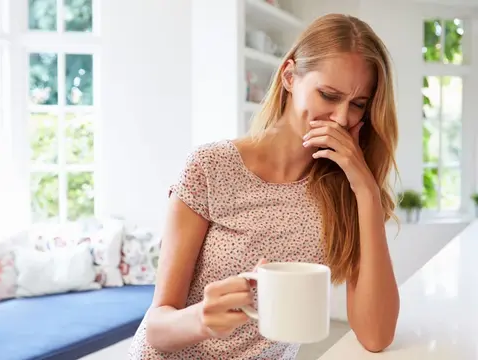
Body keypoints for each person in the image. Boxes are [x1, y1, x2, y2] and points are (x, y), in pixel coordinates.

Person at [129, 13, 400, 360]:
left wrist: (366, 190)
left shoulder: (346, 192)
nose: (342, 118)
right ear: (289, 76)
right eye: (329, 95)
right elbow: (157, 326)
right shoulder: (211, 166)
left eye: (358, 105)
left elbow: (376, 336)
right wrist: (201, 320)